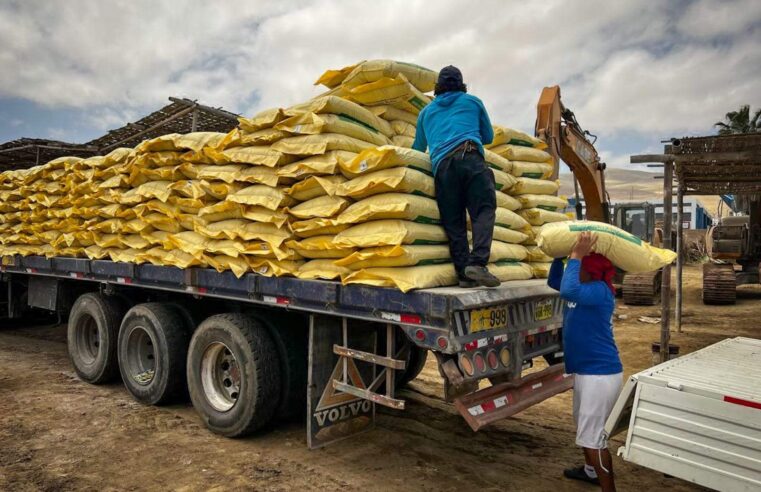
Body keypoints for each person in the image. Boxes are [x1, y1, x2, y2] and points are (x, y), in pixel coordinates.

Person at [547, 232, 623, 492]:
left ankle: (608, 489)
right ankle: (591, 472)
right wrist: (559, 256)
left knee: (594, 439)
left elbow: (568, 287)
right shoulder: (581, 291)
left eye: (577, 268)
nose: (573, 270)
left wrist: (577, 255)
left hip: (599, 376)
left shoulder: (599, 292)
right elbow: (557, 282)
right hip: (587, 373)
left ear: (590, 273)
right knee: (583, 428)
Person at [412, 65, 499, 288]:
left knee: (454, 222)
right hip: (470, 157)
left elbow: (417, 148)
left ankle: (463, 274)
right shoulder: (472, 102)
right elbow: (488, 137)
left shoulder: (425, 113)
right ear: (462, 85)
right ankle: (478, 264)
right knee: (483, 210)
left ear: (437, 88)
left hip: (442, 168)